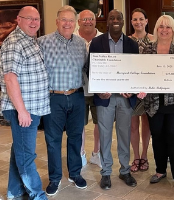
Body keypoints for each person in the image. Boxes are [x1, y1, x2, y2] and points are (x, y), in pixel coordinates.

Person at [0, 6, 49, 200]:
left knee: (19, 150)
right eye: (29, 18)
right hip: (23, 109)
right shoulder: (14, 42)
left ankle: (15, 191)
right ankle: (37, 195)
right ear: (18, 19)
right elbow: (10, 78)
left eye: (37, 19)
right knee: (26, 155)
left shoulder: (30, 40)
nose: (34, 22)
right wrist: (22, 111)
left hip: (31, 108)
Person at [138, 15, 174, 193]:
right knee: (158, 137)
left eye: (168, 27)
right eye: (161, 26)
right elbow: (142, 74)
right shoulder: (148, 49)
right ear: (156, 29)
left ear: (173, 29)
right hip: (154, 104)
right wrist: (141, 87)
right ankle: (160, 170)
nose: (164, 30)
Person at [38, 5, 88, 196]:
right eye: (64, 20)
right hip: (54, 97)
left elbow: (85, 68)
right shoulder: (43, 42)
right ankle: (55, 178)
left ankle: (75, 173)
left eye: (71, 20)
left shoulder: (80, 43)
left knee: (75, 137)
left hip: (76, 95)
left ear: (75, 23)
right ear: (57, 21)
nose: (67, 23)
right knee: (53, 140)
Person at [88, 9, 139, 190]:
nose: (115, 20)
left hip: (125, 100)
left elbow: (136, 72)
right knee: (105, 135)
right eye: (112, 18)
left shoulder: (133, 45)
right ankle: (106, 173)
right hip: (105, 99)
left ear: (123, 21)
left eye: (118, 18)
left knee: (124, 135)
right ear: (107, 22)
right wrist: (99, 90)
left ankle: (125, 170)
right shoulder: (96, 43)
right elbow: (90, 69)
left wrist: (132, 91)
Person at [74, 9, 103, 168]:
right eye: (84, 19)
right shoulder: (71, 37)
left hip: (99, 90)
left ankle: (96, 154)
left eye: (90, 19)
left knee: (100, 123)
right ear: (78, 22)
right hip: (78, 89)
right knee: (79, 124)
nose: (87, 22)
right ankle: (81, 153)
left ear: (95, 20)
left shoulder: (103, 38)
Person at [128, 8, 153, 173]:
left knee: (147, 124)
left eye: (141, 19)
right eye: (135, 19)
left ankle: (144, 155)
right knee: (132, 124)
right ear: (131, 22)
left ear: (146, 21)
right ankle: (135, 157)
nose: (138, 22)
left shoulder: (154, 39)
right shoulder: (126, 40)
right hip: (131, 88)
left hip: (149, 87)